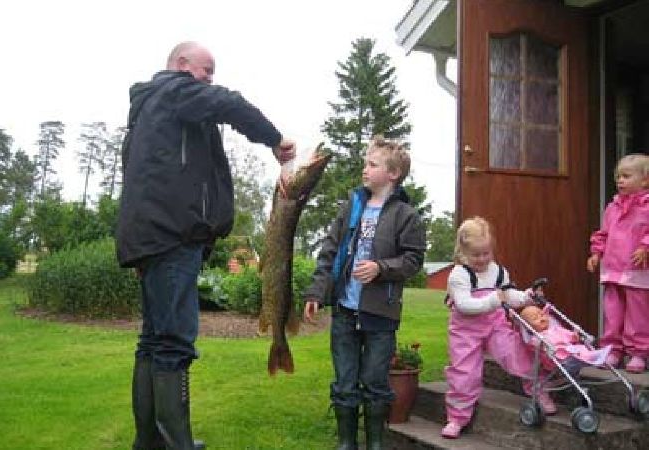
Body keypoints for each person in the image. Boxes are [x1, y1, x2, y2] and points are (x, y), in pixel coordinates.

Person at [116, 41, 296, 450]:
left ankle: (149, 442)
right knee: (174, 343)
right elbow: (227, 103)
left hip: (149, 240)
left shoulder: (150, 112)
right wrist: (274, 139)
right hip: (172, 238)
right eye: (206, 70)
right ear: (182, 66)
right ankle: (177, 444)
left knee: (153, 340)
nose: (210, 79)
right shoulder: (174, 90)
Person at [302, 136, 426, 450]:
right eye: (365, 163)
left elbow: (413, 260)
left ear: (393, 174)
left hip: (380, 315)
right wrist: (316, 292)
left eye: (372, 164)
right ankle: (347, 443)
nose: (365, 169)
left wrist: (380, 268)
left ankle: (375, 443)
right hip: (344, 310)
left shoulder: (405, 216)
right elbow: (329, 252)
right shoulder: (351, 207)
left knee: (375, 381)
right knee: (344, 380)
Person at [441, 217, 556, 439]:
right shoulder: (459, 275)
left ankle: (539, 392)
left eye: (487, 253)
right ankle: (457, 417)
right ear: (463, 253)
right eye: (476, 255)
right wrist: (494, 300)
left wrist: (526, 297)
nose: (482, 259)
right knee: (464, 373)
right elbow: (464, 305)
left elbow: (508, 294)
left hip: (494, 326)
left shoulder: (497, 271)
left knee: (519, 354)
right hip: (465, 331)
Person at [587, 153, 649, 373]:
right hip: (613, 269)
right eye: (618, 177)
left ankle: (638, 352)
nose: (620, 181)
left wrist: (645, 247)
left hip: (637, 272)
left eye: (626, 176)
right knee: (612, 313)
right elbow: (603, 234)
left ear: (645, 181)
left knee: (637, 315)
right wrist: (596, 253)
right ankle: (613, 350)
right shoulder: (612, 208)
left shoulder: (647, 207)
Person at [519, 305, 611, 370]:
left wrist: (575, 336)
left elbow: (568, 335)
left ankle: (594, 356)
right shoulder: (536, 338)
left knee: (580, 347)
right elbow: (534, 346)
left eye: (542, 314)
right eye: (535, 318)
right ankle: (594, 357)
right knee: (573, 351)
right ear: (528, 327)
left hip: (571, 351)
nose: (541, 318)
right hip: (557, 359)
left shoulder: (556, 328)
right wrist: (543, 343)